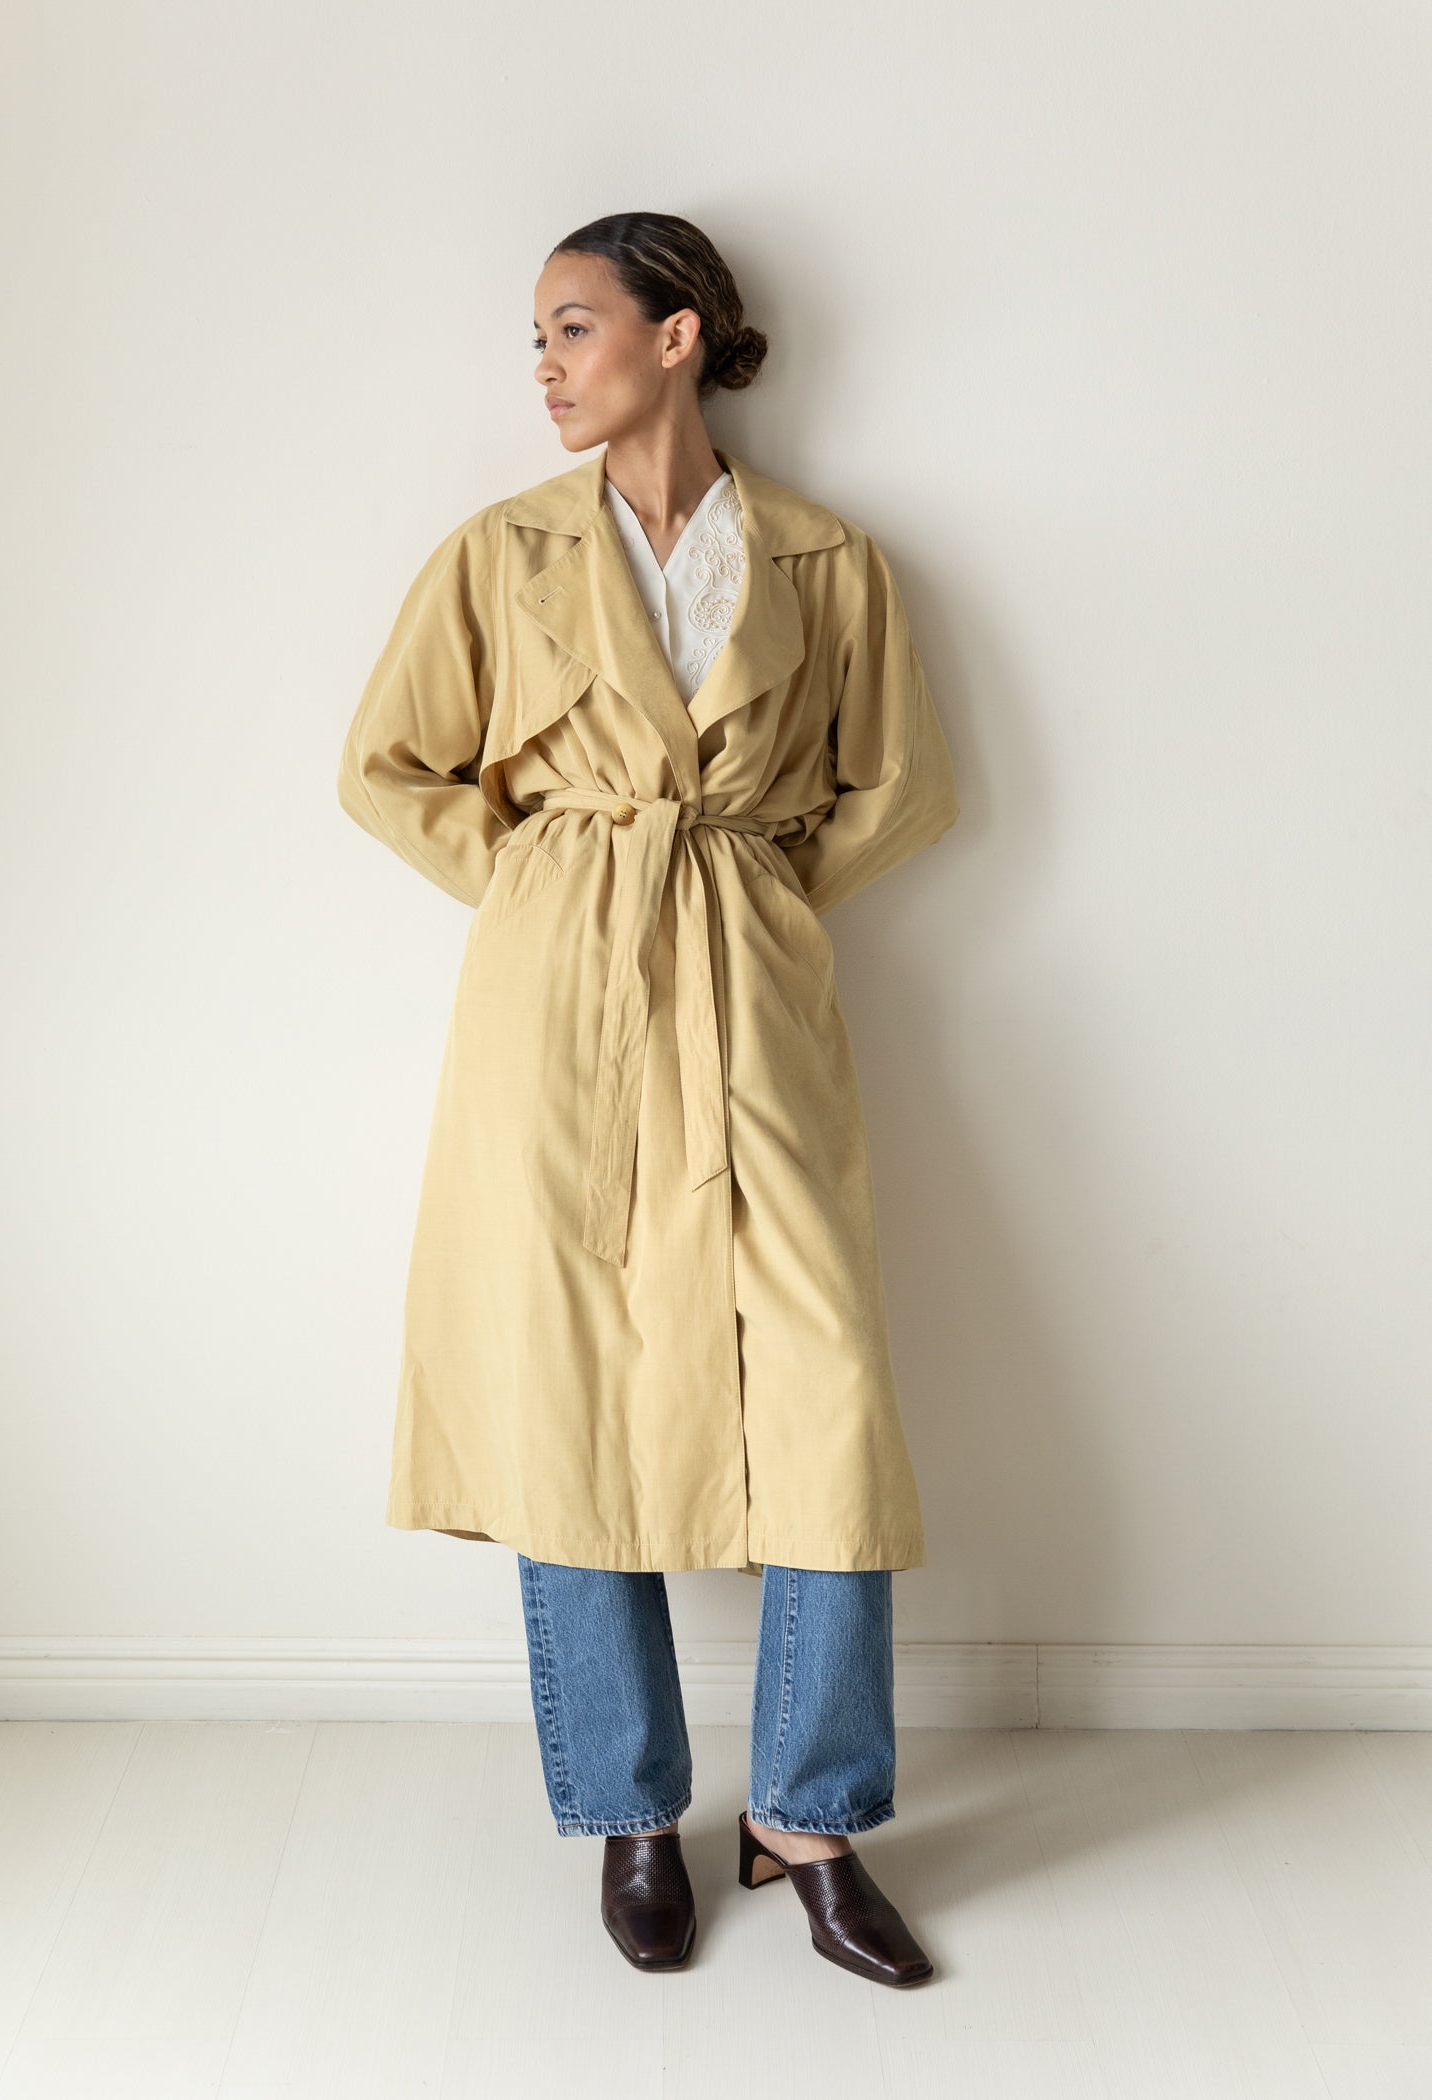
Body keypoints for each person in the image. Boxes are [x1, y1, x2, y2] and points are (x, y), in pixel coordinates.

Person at [337, 211, 959, 1987]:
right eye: (537, 337)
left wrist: (750, 891)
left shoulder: (829, 561)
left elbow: (903, 784)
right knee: (567, 1388)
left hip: (752, 992)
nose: (544, 365)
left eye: (573, 326)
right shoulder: (501, 554)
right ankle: (629, 1811)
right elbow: (385, 765)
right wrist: (552, 884)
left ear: (676, 338)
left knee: (827, 1392)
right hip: (554, 1009)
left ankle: (807, 1816)